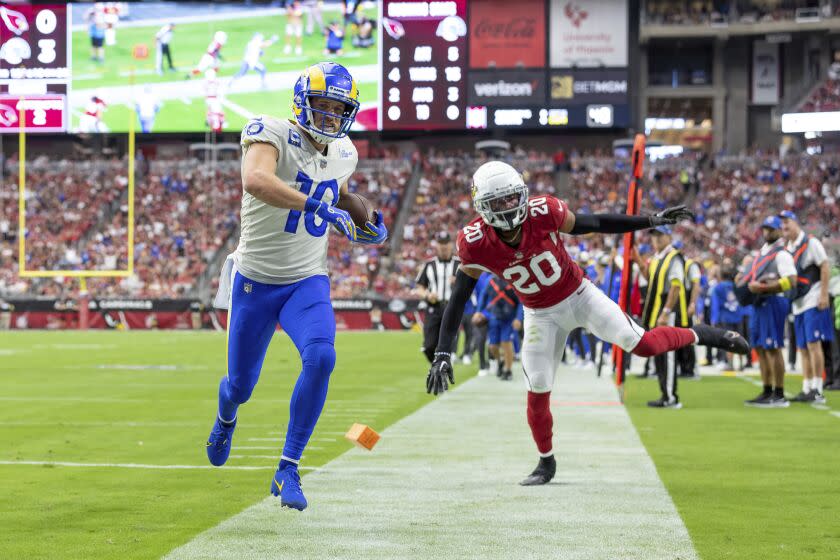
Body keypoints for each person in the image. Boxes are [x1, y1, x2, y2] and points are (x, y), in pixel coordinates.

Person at [424, 161, 750, 486]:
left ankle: (704, 334)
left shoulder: (543, 212)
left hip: (580, 296)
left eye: (512, 198)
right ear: (483, 207)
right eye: (499, 202)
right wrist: (442, 352)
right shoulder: (474, 242)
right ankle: (546, 462)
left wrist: (650, 220)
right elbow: (458, 298)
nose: (509, 207)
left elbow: (594, 222)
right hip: (540, 314)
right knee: (537, 388)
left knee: (645, 344)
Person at [205, 62, 388, 511]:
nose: (328, 117)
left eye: (337, 109)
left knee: (322, 356)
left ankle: (288, 467)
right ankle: (227, 414)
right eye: (321, 106)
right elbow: (256, 180)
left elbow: (339, 192)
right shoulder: (268, 132)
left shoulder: (344, 150)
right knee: (241, 385)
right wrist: (317, 207)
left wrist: (368, 218)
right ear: (301, 102)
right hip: (256, 281)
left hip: (307, 279)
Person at [738, 216, 797, 407]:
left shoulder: (782, 254)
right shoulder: (762, 253)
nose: (767, 232)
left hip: (773, 301)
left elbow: (791, 281)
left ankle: (779, 394)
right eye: (765, 228)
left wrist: (764, 288)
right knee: (761, 347)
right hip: (759, 303)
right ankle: (767, 390)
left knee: (773, 347)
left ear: (779, 231)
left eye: (771, 229)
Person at [780, 211, 833, 403]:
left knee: (813, 344)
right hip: (798, 303)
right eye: (782, 224)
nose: (784, 227)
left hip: (813, 298)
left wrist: (824, 294)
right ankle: (807, 386)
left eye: (787, 223)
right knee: (802, 346)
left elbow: (825, 266)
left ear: (795, 223)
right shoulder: (788, 248)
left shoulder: (811, 242)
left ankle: (818, 388)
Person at [638, 226, 690, 407]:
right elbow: (649, 277)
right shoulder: (657, 258)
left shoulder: (673, 257)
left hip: (665, 314)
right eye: (654, 236)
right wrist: (637, 259)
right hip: (656, 313)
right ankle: (665, 394)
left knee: (667, 355)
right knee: (659, 354)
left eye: (660, 235)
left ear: (669, 236)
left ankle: (670, 397)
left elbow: (676, 286)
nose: (656, 239)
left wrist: (666, 311)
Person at [414, 231, 459, 363]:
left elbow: (471, 286)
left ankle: (442, 370)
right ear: (437, 245)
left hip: (452, 308)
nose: (443, 246)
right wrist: (428, 295)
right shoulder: (429, 265)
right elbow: (419, 288)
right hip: (434, 307)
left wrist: (459, 283)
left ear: (451, 244)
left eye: (446, 243)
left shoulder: (460, 264)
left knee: (446, 345)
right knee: (429, 346)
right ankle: (437, 367)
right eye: (441, 243)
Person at [475, 275, 523, 380]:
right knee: (492, 346)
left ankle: (508, 370)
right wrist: (478, 311)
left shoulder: (513, 281)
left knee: (506, 342)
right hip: (494, 317)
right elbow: (483, 296)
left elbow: (520, 301)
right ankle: (500, 361)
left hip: (509, 318)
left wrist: (518, 318)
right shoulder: (491, 281)